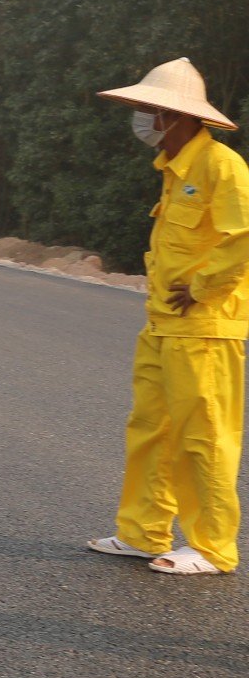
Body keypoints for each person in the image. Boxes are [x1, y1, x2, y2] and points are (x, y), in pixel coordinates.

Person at [87, 58, 249, 576]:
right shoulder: (173, 171)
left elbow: (242, 238)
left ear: (176, 117)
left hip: (205, 327)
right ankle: (142, 531)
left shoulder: (222, 167)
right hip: (162, 325)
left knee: (202, 437)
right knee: (151, 429)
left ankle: (212, 547)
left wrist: (201, 289)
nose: (140, 117)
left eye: (147, 109)